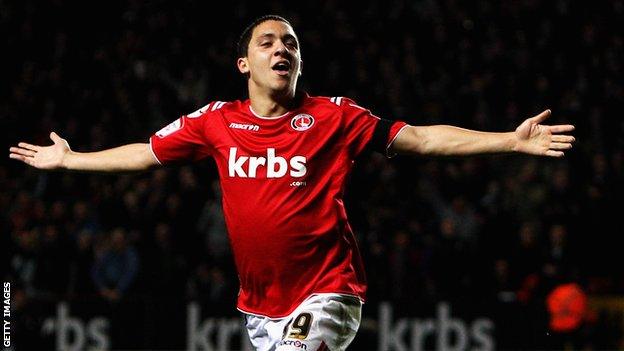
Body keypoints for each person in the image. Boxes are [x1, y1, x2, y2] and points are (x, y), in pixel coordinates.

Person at [9, 14, 575, 351]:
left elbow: (422, 140)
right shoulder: (215, 122)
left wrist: (509, 139)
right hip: (260, 305)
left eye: (291, 44)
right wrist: (70, 161)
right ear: (243, 64)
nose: (283, 48)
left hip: (329, 290)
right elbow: (145, 153)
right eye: (268, 42)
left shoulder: (334, 116)